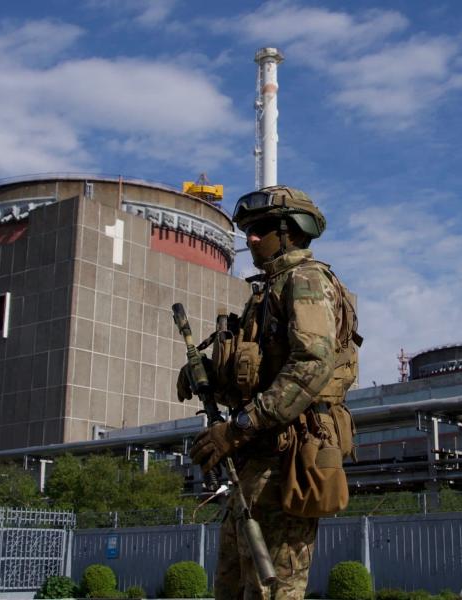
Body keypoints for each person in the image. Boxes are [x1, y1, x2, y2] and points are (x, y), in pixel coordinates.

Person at [177, 186, 360, 600]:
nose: (251, 238)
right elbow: (260, 380)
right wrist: (207, 376)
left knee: (271, 589)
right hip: (256, 461)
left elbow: (312, 366)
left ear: (290, 232)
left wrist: (238, 428)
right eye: (248, 230)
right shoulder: (267, 292)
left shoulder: (306, 281)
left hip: (289, 461)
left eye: (261, 229)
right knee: (232, 583)